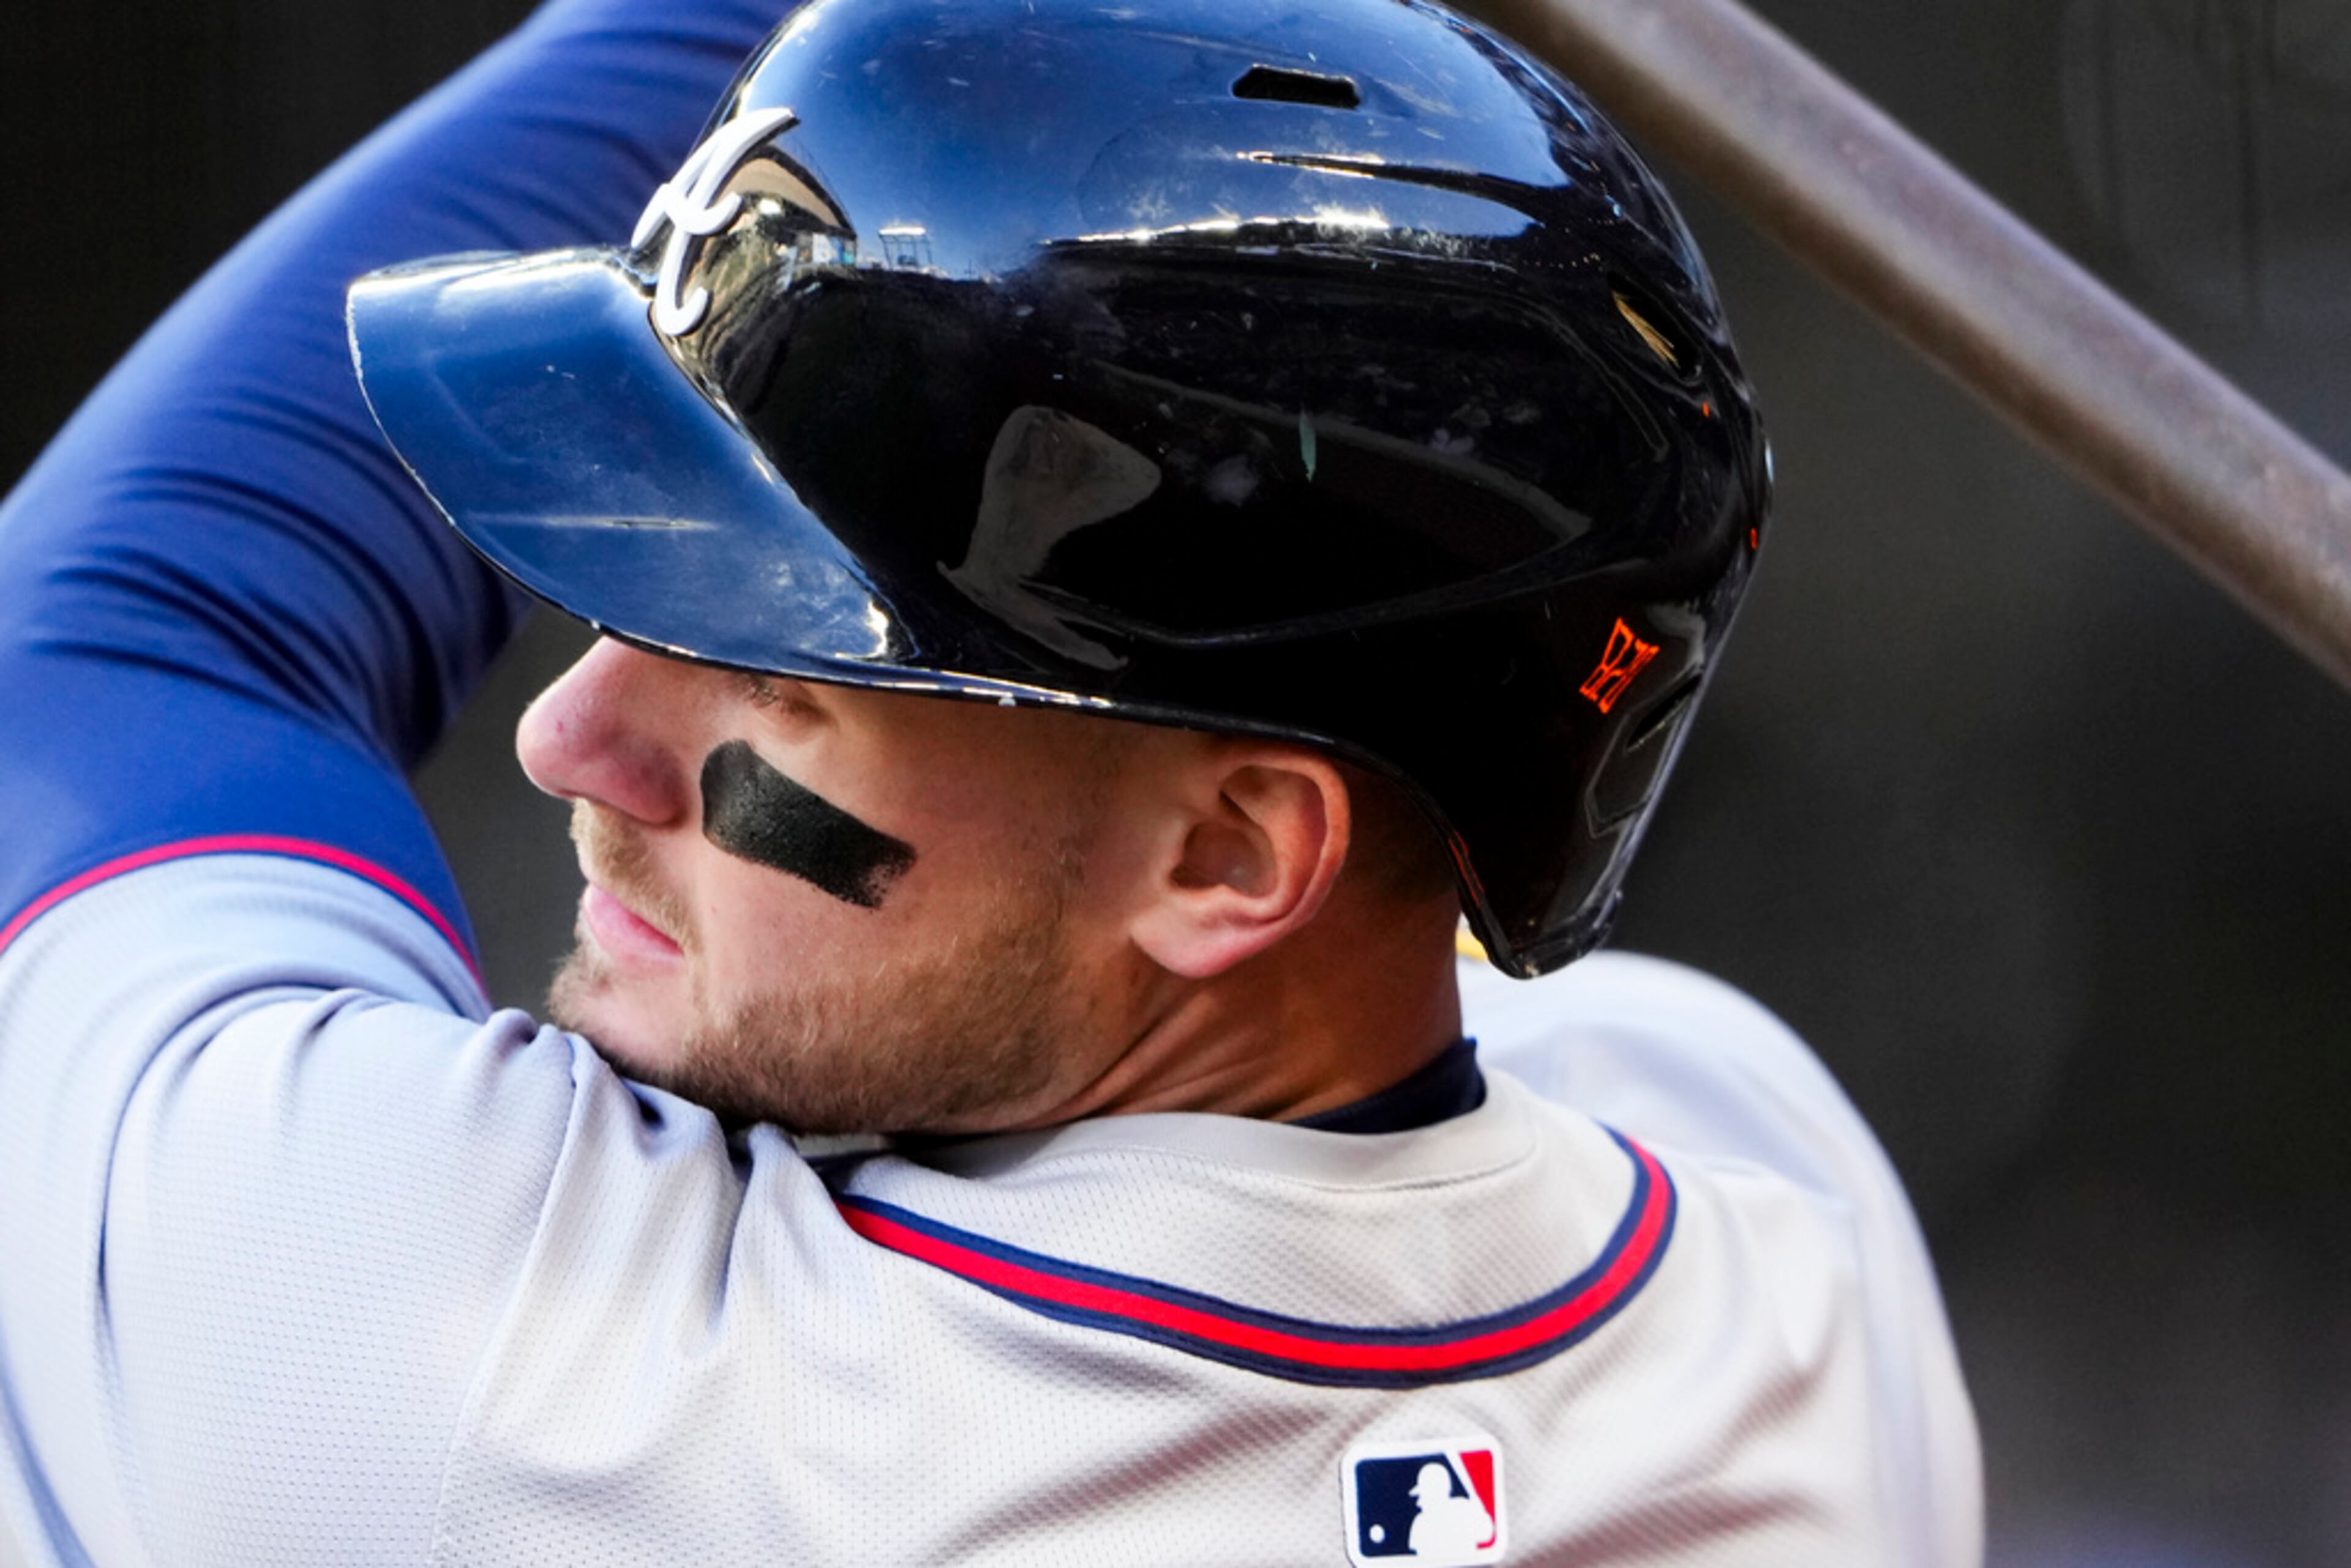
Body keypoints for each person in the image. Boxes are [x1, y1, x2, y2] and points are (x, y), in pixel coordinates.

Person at [0, 0, 1981, 1561]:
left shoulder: (525, 1374)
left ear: (1232, 854)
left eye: (775, 688)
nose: (571, 741)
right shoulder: (1794, 1276)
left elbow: (119, 636)